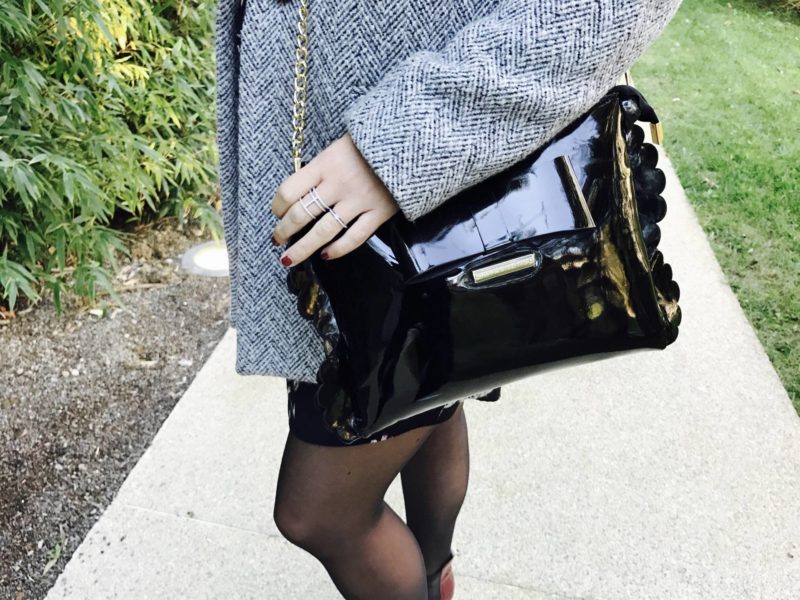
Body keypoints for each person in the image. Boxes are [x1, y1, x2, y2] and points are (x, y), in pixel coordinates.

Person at [213, 0, 683, 597]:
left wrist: (399, 147)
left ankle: (428, 579)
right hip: (341, 186)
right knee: (427, 380)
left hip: (398, 177)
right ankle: (433, 576)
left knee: (319, 514)